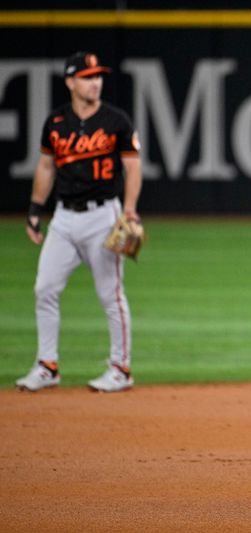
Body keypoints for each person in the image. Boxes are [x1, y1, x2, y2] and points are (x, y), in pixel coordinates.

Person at [15, 51, 142, 393]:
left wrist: (129, 210)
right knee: (45, 288)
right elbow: (45, 167)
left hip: (104, 215)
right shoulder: (56, 124)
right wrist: (34, 208)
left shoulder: (116, 121)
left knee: (110, 294)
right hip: (64, 218)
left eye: (98, 76)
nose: (95, 82)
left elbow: (133, 167)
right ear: (70, 82)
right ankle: (47, 365)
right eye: (87, 77)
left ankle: (121, 368)